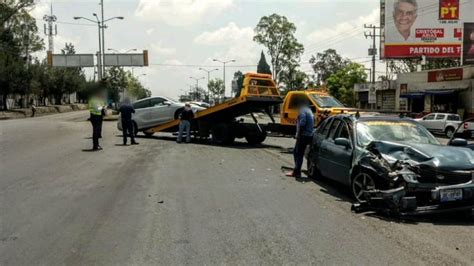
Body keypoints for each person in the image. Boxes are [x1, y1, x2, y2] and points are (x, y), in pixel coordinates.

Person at [286, 98, 314, 179]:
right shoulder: (309, 110)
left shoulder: (303, 110)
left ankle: (297, 172)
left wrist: (299, 135)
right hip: (308, 135)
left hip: (303, 136)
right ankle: (297, 170)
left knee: (298, 153)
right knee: (297, 152)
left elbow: (302, 123)